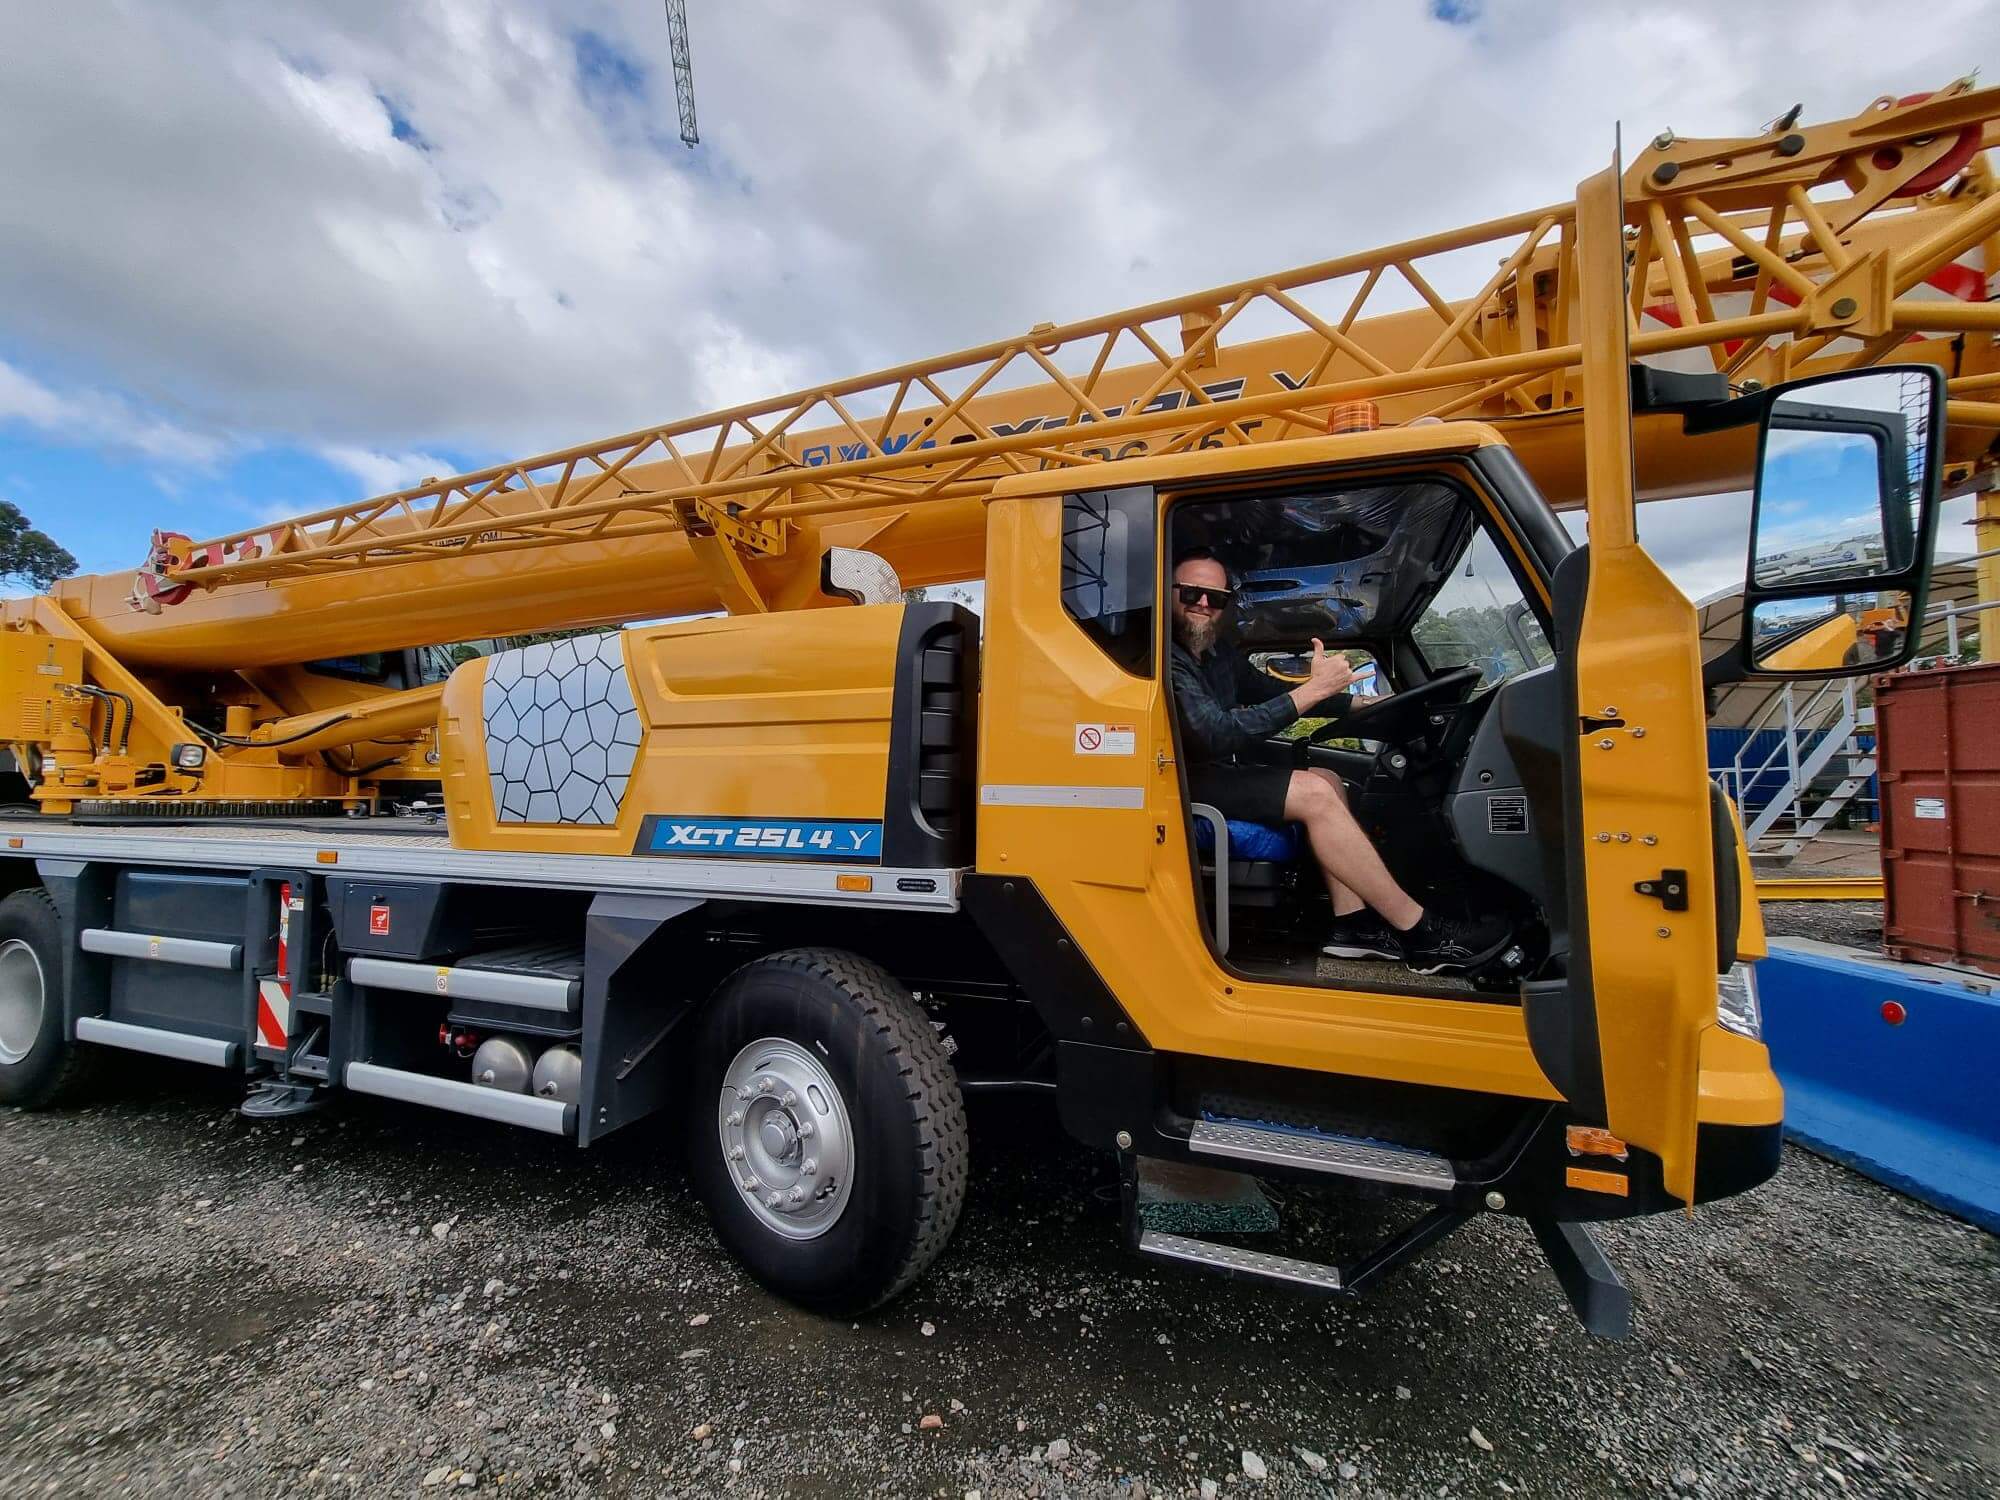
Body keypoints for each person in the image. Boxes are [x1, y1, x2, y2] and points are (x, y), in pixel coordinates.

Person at [1168, 549, 1510, 976]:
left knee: (1327, 778)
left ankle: (1352, 926)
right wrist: (1310, 690)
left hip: (1218, 774)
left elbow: (1266, 690)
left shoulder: (1218, 655)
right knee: (1314, 794)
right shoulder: (1164, 656)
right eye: (1193, 593)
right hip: (1180, 781)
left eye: (1215, 598)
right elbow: (1215, 731)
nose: (1203, 604)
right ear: (1169, 592)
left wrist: (1360, 701)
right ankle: (1421, 931)